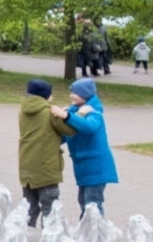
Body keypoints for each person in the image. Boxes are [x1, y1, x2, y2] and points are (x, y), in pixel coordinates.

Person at [17, 79, 71, 227]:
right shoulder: (49, 112)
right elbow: (69, 130)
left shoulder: (22, 111)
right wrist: (70, 115)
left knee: (29, 208)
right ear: (45, 95)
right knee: (50, 209)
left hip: (27, 166)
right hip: (46, 168)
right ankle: (49, 238)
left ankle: (18, 235)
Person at [62, 77, 118, 217]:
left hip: (96, 167)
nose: (71, 95)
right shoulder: (75, 112)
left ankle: (96, 230)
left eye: (75, 93)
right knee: (83, 201)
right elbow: (66, 135)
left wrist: (69, 117)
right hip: (84, 167)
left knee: (92, 204)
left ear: (85, 94)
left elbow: (89, 127)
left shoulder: (94, 112)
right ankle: (87, 229)